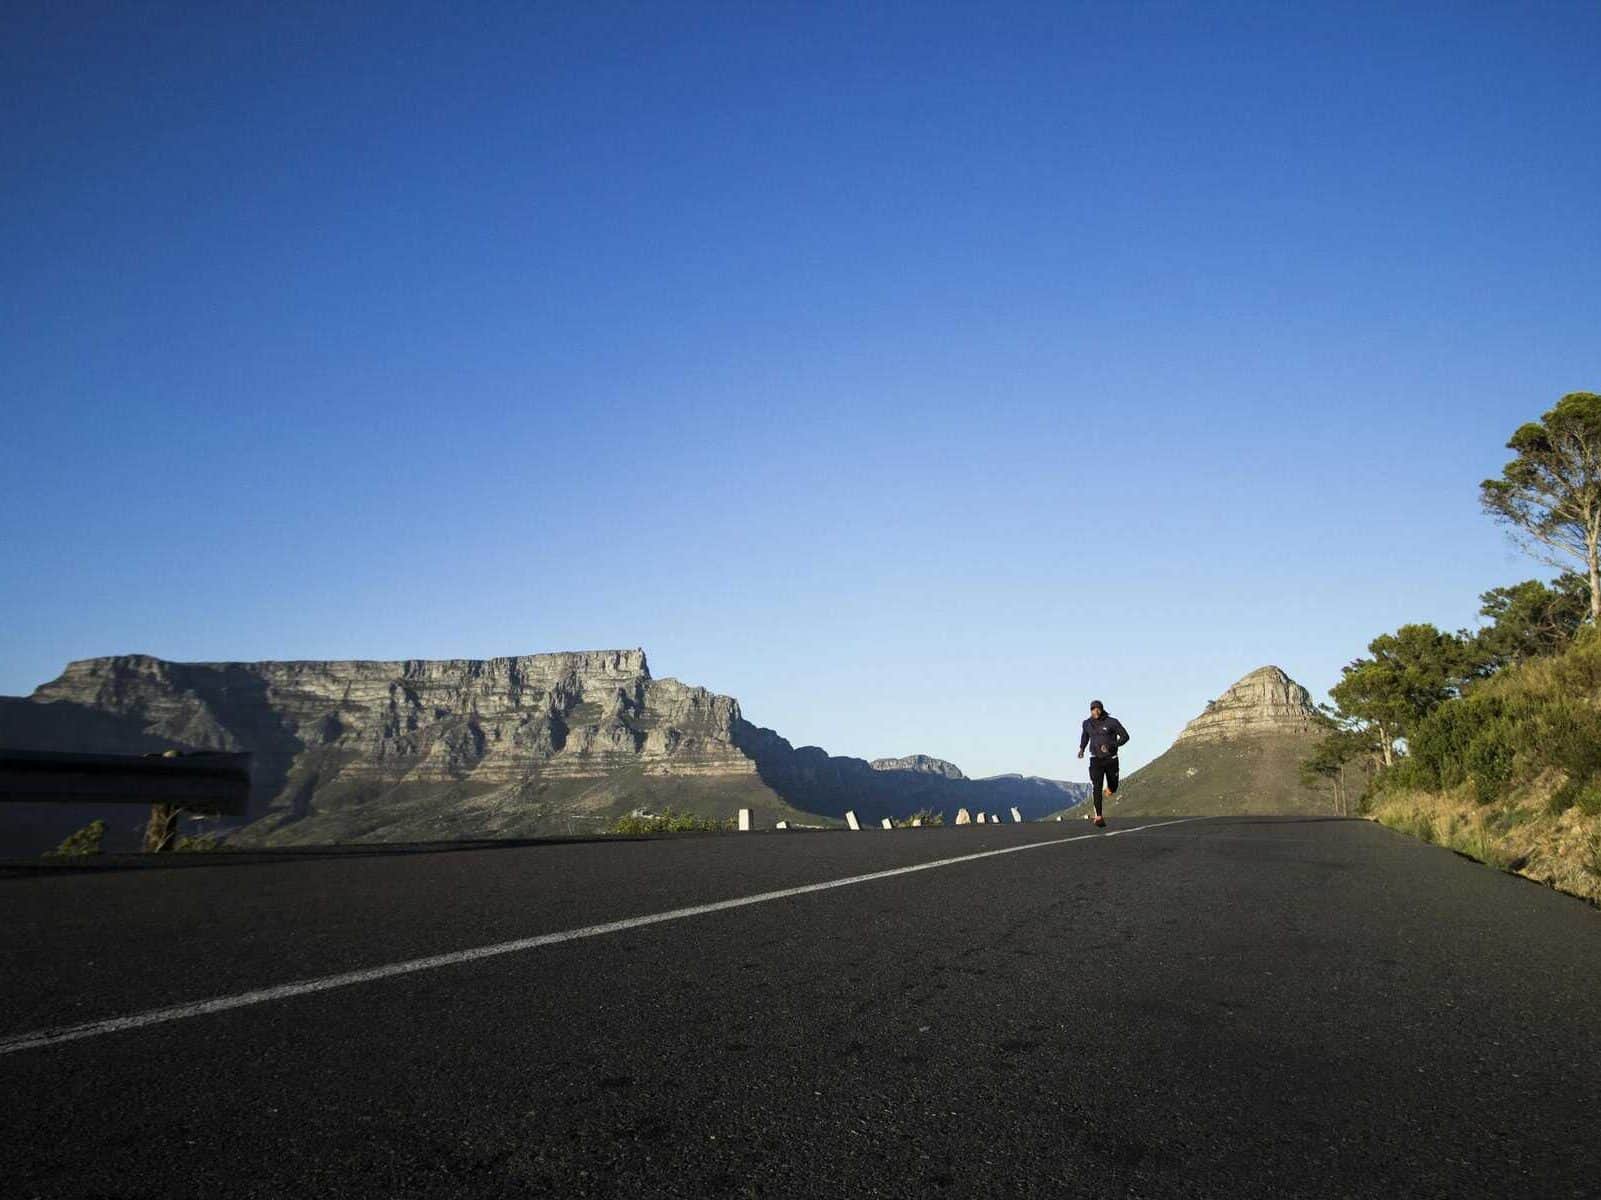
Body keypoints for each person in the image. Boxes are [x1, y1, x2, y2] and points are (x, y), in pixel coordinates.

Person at [1077, 700, 1129, 827]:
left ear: (1102, 709)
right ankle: (1098, 816)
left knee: (1113, 785)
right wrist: (1082, 749)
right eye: (1093, 709)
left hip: (1111, 759)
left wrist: (1112, 745)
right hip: (1095, 759)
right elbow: (1085, 736)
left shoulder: (1112, 722)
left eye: (1098, 708)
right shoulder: (1087, 723)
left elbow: (1125, 737)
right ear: (1090, 710)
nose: (1096, 711)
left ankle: (1110, 788)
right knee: (1096, 786)